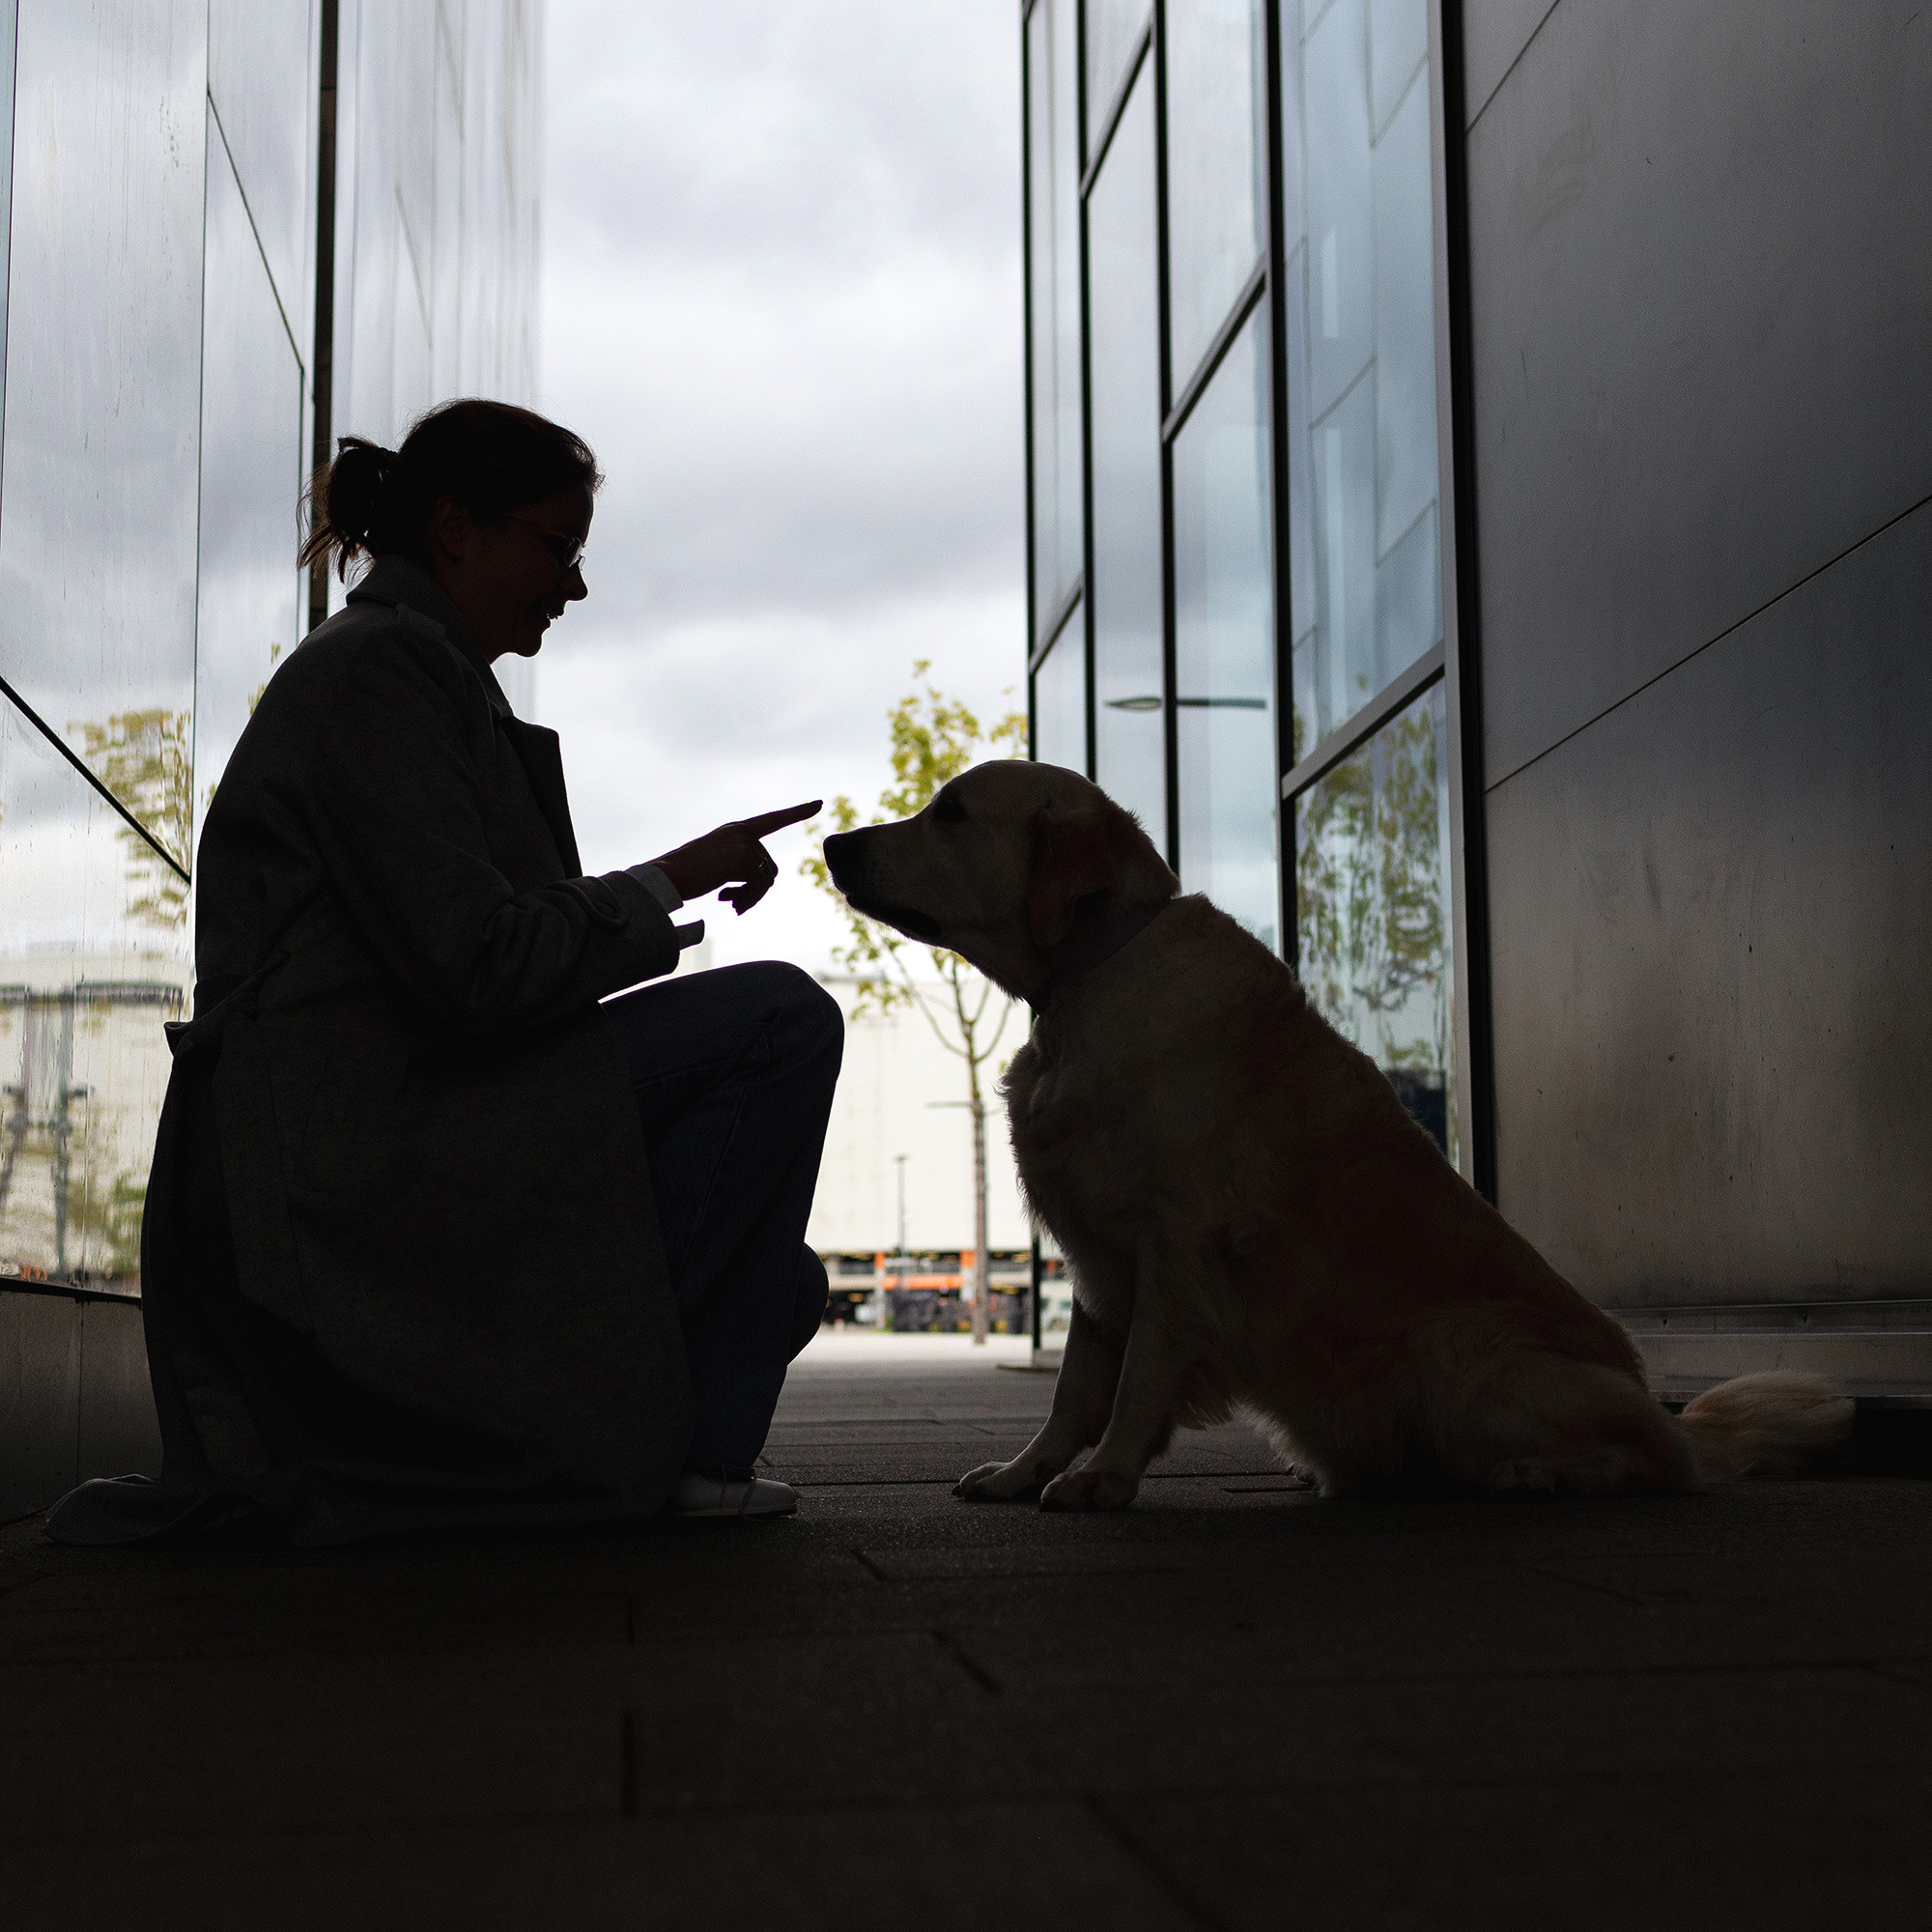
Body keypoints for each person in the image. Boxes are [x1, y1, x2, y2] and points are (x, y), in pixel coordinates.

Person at [47, 399, 842, 1545]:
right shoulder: (381, 674)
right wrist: (667, 880)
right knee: (777, 1017)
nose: (570, 587)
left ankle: (639, 1440)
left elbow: (480, 957)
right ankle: (688, 1460)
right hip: (356, 1157)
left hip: (381, 1127)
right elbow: (481, 964)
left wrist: (653, 889)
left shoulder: (404, 670)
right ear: (457, 527)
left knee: (778, 1284)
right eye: (557, 547)